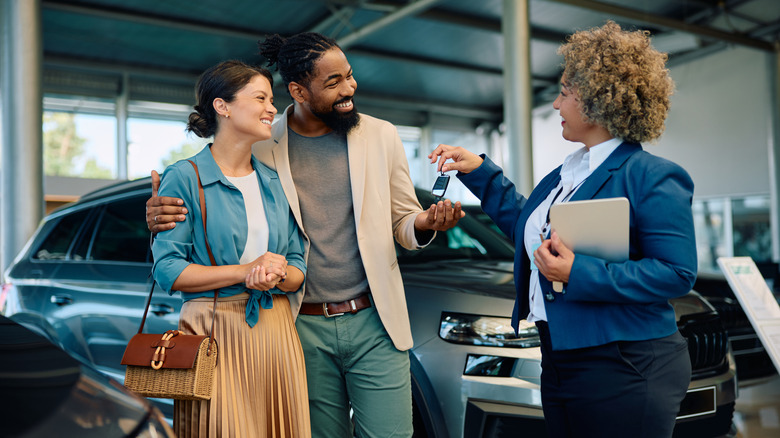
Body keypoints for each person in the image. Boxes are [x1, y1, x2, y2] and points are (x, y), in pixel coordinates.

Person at [146, 33, 464, 437]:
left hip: (375, 319)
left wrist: (424, 223)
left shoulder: (381, 135)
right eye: (333, 82)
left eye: (349, 77)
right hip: (297, 325)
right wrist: (157, 211)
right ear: (298, 90)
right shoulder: (262, 145)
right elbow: (214, 182)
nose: (349, 89)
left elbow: (402, 220)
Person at [429, 21, 695, 438]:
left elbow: (677, 273)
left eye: (565, 93)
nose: (555, 104)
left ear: (595, 101)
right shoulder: (565, 174)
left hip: (625, 363)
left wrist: (577, 273)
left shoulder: (653, 176)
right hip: (559, 356)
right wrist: (480, 173)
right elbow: (528, 230)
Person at [151, 60, 310, 437]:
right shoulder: (184, 177)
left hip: (276, 329)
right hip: (212, 332)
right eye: (260, 98)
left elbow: (299, 264)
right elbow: (168, 271)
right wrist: (245, 271)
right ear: (222, 106)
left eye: (272, 99)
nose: (273, 108)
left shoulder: (272, 181)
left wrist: (279, 273)